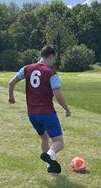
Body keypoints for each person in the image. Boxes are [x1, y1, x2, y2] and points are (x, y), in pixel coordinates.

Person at [8, 45, 71, 174]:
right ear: (51, 56)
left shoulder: (26, 68)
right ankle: (50, 154)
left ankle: (50, 166)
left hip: (32, 113)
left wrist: (11, 97)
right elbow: (58, 96)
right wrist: (67, 109)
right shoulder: (51, 72)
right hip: (47, 112)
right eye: (54, 59)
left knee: (44, 138)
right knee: (59, 142)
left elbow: (11, 83)